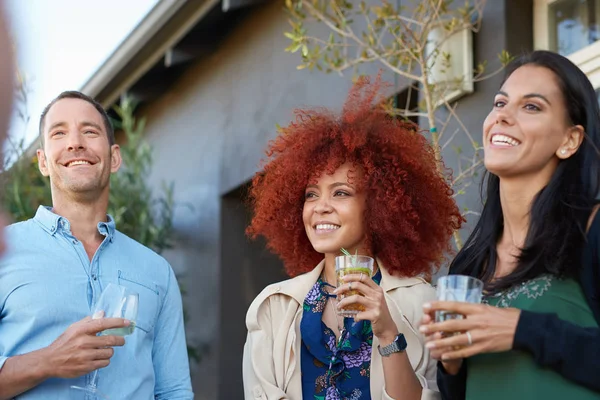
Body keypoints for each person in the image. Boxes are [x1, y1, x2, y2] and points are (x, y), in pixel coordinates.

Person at [242, 76, 463, 400]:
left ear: (379, 205)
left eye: (341, 192)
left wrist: (388, 334)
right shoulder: (273, 307)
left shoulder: (420, 302)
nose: (321, 208)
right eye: (311, 195)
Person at [419, 50, 600, 399]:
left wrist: (522, 329)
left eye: (531, 106)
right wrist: (450, 364)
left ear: (569, 140)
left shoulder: (591, 230)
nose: (503, 116)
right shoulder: (470, 264)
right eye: (500, 103)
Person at [0, 91, 193, 399]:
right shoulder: (4, 252)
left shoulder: (157, 272)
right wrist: (47, 361)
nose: (75, 143)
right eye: (59, 133)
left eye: (89, 131)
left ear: (114, 157)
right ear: (43, 162)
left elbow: (173, 391)